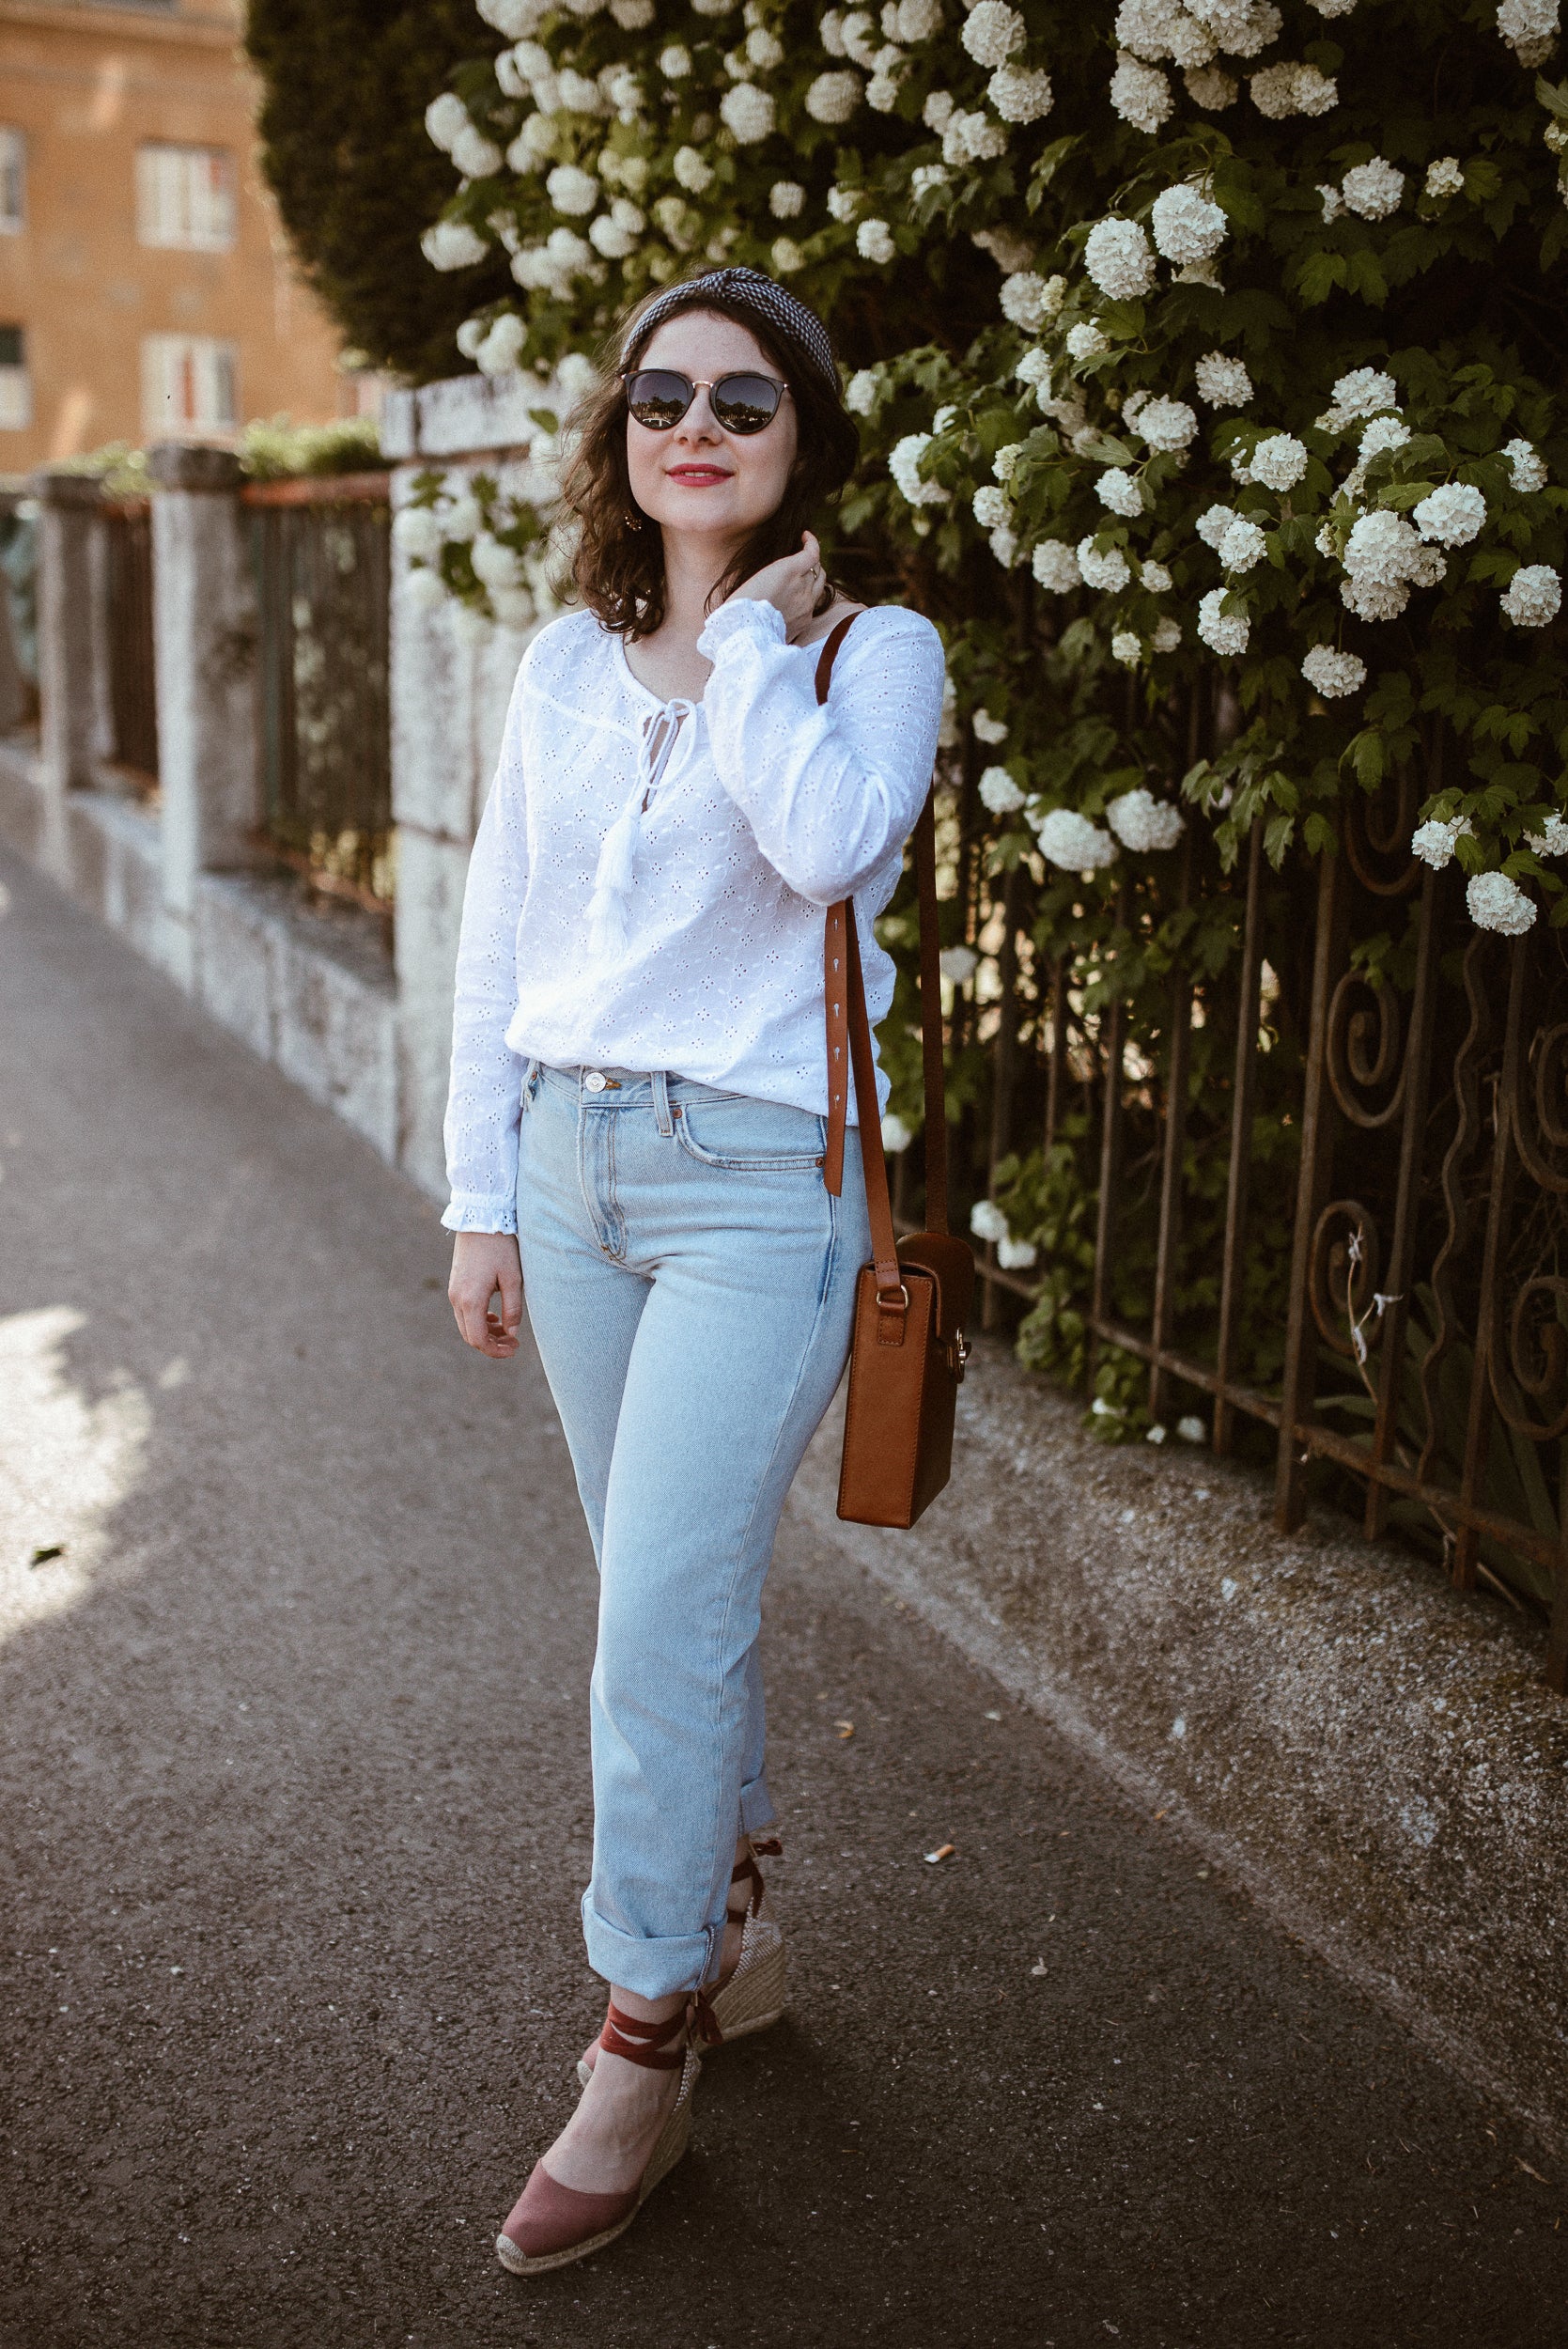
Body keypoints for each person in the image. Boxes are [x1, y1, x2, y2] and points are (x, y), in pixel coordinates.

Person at [441, 266, 944, 2275]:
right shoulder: (563, 659)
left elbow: (831, 848)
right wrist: (479, 1193)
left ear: (802, 439)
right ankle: (731, 1928)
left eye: (746, 398)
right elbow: (499, 936)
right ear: (619, 429)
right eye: (663, 393)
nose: (699, 423)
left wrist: (749, 647)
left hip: (760, 1186)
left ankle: (641, 2025)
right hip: (567, 1170)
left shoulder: (868, 650)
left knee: (654, 1617)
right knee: (669, 1594)